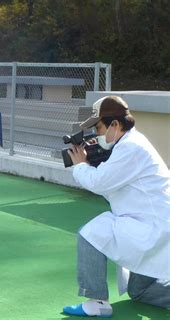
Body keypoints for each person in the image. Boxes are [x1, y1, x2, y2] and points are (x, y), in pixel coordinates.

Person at [63, 96, 170, 317]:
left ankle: (97, 302)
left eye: (99, 127)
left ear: (115, 124)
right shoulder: (131, 142)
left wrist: (81, 165)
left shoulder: (130, 148)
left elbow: (99, 182)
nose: (97, 134)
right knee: (140, 290)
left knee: (90, 234)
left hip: (151, 227)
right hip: (154, 225)